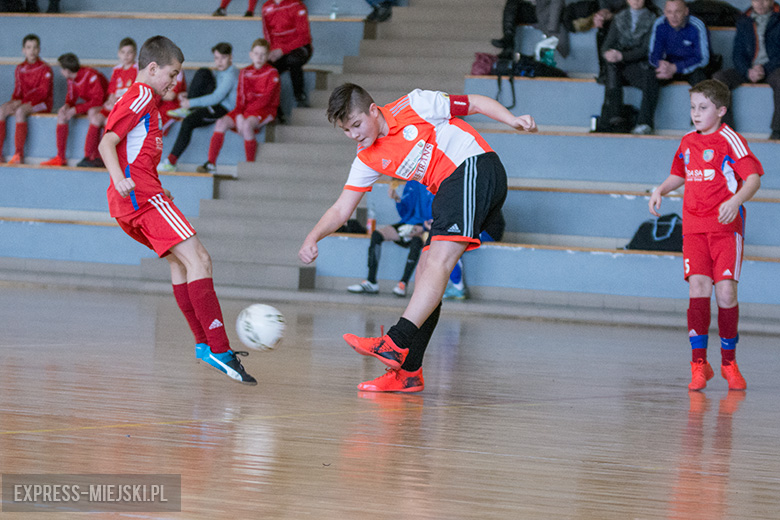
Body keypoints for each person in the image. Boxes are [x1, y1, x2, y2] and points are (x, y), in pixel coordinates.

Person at [298, 84, 537, 393]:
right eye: (346, 130)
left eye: (356, 124)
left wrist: (512, 119)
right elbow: (342, 208)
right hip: (449, 190)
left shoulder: (415, 104)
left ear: (374, 110)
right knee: (426, 269)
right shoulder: (367, 158)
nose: (354, 134)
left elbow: (474, 103)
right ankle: (409, 373)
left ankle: (395, 341)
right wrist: (312, 236)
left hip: (474, 167)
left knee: (438, 261)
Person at [98, 35, 256, 385]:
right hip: (140, 199)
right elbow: (106, 142)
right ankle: (220, 348)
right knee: (200, 258)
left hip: (132, 202)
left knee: (179, 262)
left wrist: (147, 180)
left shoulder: (147, 103)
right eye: (172, 74)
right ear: (152, 68)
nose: (174, 81)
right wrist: (122, 180)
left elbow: (132, 153)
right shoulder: (140, 94)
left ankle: (203, 344)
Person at [648, 79, 763, 391]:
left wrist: (734, 200)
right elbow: (679, 173)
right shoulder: (687, 141)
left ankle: (729, 362)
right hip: (694, 229)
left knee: (725, 292)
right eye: (692, 108)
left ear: (721, 110)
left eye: (703, 108)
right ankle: (699, 364)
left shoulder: (731, 140)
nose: (695, 114)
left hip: (726, 230)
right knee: (698, 288)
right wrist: (661, 188)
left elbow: (752, 179)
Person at [197, 38, 280, 174]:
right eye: (256, 53)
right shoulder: (244, 72)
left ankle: (250, 166)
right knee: (221, 122)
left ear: (268, 55)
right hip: (245, 110)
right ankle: (211, 163)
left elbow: (265, 101)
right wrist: (240, 115)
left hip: (265, 111)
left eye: (263, 54)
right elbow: (240, 97)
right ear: (251, 55)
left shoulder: (272, 73)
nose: (259, 57)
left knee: (247, 125)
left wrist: (244, 117)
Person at [158, 42, 238, 172]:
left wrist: (192, 102)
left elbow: (216, 97)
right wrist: (188, 96)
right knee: (204, 72)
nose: (220, 62)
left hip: (222, 109)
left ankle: (171, 162)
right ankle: (187, 108)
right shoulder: (221, 71)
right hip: (214, 103)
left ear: (231, 57)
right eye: (217, 58)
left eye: (223, 58)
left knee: (188, 121)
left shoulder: (230, 74)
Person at [347, 180, 434, 297]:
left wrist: (422, 227)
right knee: (377, 235)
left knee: (417, 242)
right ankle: (371, 281)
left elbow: (435, 217)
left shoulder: (435, 183)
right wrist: (397, 199)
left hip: (425, 228)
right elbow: (405, 213)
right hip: (407, 224)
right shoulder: (412, 183)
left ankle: (402, 284)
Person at [713, 0, 780, 140]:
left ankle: (777, 130)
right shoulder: (744, 20)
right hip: (749, 69)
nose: (760, 3)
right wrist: (748, 71)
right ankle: (726, 131)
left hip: (773, 68)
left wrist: (764, 69)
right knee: (719, 78)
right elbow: (737, 54)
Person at [599, 0, 660, 134]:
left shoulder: (653, 19)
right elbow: (606, 46)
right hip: (620, 65)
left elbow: (646, 49)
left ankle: (643, 123)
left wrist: (622, 56)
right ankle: (615, 116)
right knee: (611, 65)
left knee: (651, 76)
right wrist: (610, 54)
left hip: (640, 65)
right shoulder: (619, 18)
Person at [76, 37, 138, 168]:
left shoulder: (137, 70)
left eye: (130, 52)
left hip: (126, 108)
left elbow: (136, 94)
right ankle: (89, 155)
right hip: (115, 106)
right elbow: (111, 93)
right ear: (118, 54)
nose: (126, 56)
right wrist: (110, 102)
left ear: (135, 54)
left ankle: (106, 158)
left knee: (107, 122)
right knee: (95, 118)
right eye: (123, 52)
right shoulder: (116, 70)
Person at [41, 53, 108, 167]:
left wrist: (76, 109)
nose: (61, 72)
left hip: (105, 104)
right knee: (62, 115)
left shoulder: (91, 75)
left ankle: (94, 156)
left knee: (93, 113)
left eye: (61, 69)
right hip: (91, 104)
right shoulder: (71, 79)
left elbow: (98, 100)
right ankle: (60, 157)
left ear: (67, 70)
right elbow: (71, 97)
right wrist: (67, 106)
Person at [0, 34, 52, 165]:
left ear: (39, 49)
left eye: (35, 47)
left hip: (43, 104)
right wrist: (13, 102)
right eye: (29, 47)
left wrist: (21, 103)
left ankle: (19, 154)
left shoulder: (45, 68)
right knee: (2, 110)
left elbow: (42, 93)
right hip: (23, 102)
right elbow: (18, 91)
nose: (32, 51)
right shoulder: (20, 68)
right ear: (23, 50)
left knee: (20, 112)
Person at [262, 0, 313, 112]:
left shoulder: (297, 5)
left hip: (299, 48)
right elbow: (267, 34)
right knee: (265, 67)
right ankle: (275, 109)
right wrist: (271, 51)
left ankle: (300, 97)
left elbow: (304, 38)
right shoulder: (266, 7)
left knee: (293, 61)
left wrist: (282, 50)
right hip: (277, 50)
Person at [649, 0, 711, 87]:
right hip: (668, 66)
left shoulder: (697, 25)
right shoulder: (659, 24)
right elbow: (653, 55)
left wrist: (676, 67)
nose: (673, 16)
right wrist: (661, 65)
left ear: (686, 11)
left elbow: (703, 58)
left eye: (677, 11)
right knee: (650, 75)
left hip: (690, 67)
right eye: (669, 12)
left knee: (700, 77)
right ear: (665, 12)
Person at [490, 0, 570, 60]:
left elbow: (557, 3)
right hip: (538, 10)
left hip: (549, 15)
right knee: (512, 4)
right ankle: (508, 40)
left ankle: (508, 47)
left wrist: (552, 27)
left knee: (514, 8)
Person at [158, 70, 187, 136]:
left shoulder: (177, 71)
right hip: (159, 103)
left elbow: (171, 96)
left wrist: (156, 94)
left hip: (174, 106)